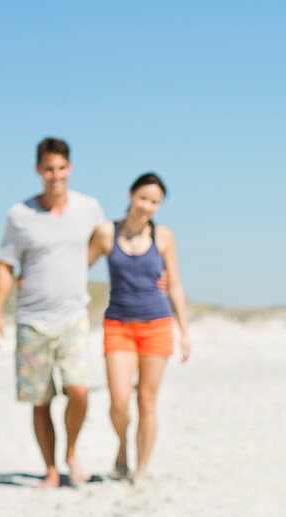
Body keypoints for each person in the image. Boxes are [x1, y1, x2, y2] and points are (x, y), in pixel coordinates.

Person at [0, 138, 106, 489]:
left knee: (79, 390)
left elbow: (109, 241)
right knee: (40, 402)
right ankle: (51, 470)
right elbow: (5, 265)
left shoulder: (88, 208)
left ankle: (71, 452)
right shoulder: (20, 215)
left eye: (61, 168)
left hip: (73, 316)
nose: (55, 175)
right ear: (38, 170)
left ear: (69, 169)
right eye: (48, 169)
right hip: (31, 321)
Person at [87, 173, 189, 488]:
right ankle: (122, 444)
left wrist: (184, 331)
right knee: (119, 400)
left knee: (146, 401)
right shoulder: (106, 234)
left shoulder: (164, 237)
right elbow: (76, 268)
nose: (147, 206)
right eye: (143, 198)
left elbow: (174, 284)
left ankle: (140, 470)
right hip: (117, 325)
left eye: (154, 202)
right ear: (132, 195)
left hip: (157, 326)